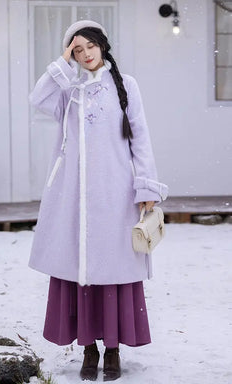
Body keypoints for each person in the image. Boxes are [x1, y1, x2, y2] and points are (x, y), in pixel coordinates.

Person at [28, 20, 168, 381]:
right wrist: (61, 62)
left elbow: (141, 138)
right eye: (77, 50)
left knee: (114, 268)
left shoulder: (126, 86)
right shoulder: (68, 90)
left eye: (90, 46)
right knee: (80, 268)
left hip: (117, 193)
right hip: (74, 196)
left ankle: (113, 350)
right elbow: (37, 99)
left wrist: (146, 189)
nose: (86, 54)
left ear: (102, 45)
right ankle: (88, 348)